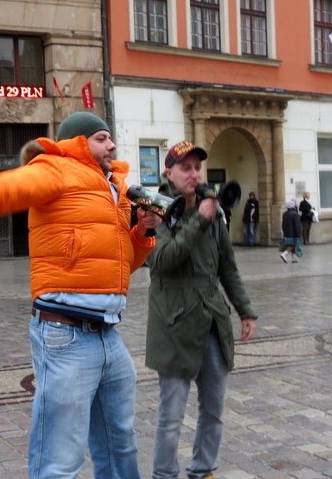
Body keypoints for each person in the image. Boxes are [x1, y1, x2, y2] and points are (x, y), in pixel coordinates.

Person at [0, 111, 161, 478]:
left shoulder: (115, 189)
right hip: (66, 336)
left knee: (120, 444)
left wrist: (142, 233)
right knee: (60, 460)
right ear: (77, 143)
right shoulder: (54, 168)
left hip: (109, 335)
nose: (111, 144)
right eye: (101, 137)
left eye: (110, 138)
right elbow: (1, 193)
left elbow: (124, 264)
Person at [145, 140, 257, 479]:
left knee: (214, 409)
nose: (194, 174)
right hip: (174, 324)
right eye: (186, 168)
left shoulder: (213, 208)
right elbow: (161, 262)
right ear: (169, 172)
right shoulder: (154, 209)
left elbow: (228, 267)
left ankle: (204, 469)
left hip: (212, 321)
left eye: (197, 168)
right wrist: (199, 222)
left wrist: (245, 309)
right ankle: (164, 475)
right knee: (171, 415)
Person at [280, 198, 302, 263]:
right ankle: (284, 254)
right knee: (292, 245)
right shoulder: (295, 214)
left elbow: (283, 224)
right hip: (293, 233)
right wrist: (298, 234)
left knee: (292, 245)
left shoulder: (285, 214)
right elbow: (297, 225)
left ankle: (293, 258)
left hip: (287, 232)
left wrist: (284, 231)